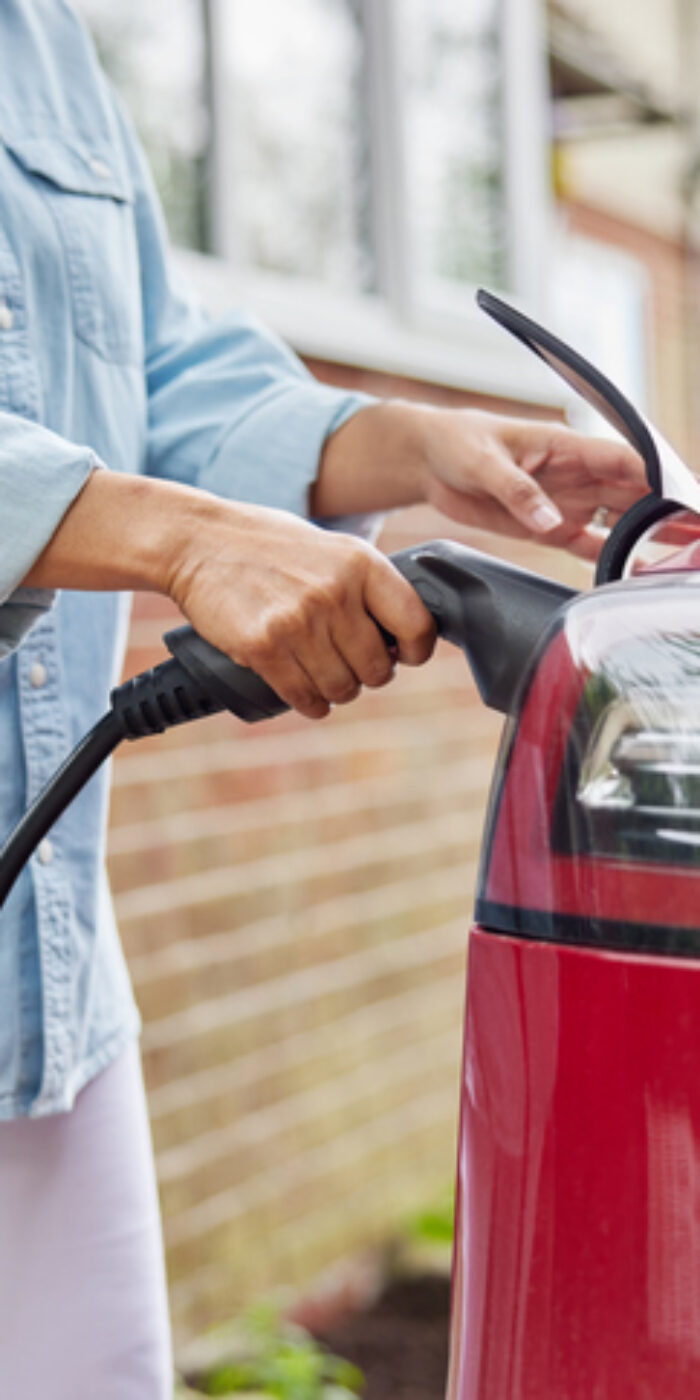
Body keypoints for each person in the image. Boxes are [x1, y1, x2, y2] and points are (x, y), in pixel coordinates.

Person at [0, 3, 646, 1397]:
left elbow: (148, 357)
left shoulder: (38, 37)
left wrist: (400, 443)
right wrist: (178, 537)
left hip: (41, 983)